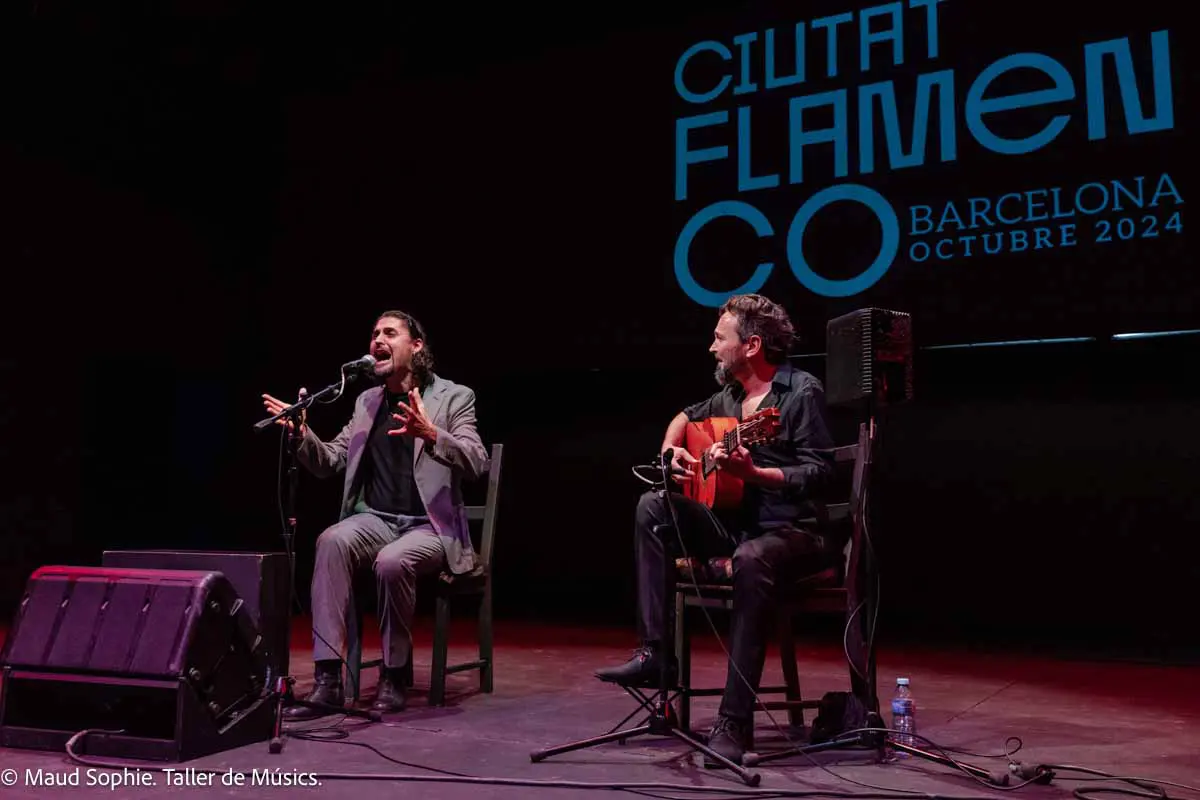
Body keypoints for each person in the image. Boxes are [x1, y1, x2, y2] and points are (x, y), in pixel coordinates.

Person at [594, 293, 838, 766]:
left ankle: (734, 721)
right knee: (654, 505)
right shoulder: (726, 397)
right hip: (739, 530)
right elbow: (685, 416)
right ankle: (656, 654)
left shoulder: (799, 392)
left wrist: (758, 476)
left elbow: (822, 472)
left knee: (752, 559)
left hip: (795, 534)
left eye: (718, 338)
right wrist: (670, 449)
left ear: (750, 345)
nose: (711, 347)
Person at [262, 310, 489, 718]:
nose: (377, 340)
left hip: (430, 527)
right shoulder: (367, 401)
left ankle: (395, 673)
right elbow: (331, 460)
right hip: (378, 520)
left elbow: (476, 461)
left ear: (416, 346)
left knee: (392, 562)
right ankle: (328, 678)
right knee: (331, 539)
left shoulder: (455, 397)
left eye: (389, 333)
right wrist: (302, 434)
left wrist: (432, 433)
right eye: (374, 334)